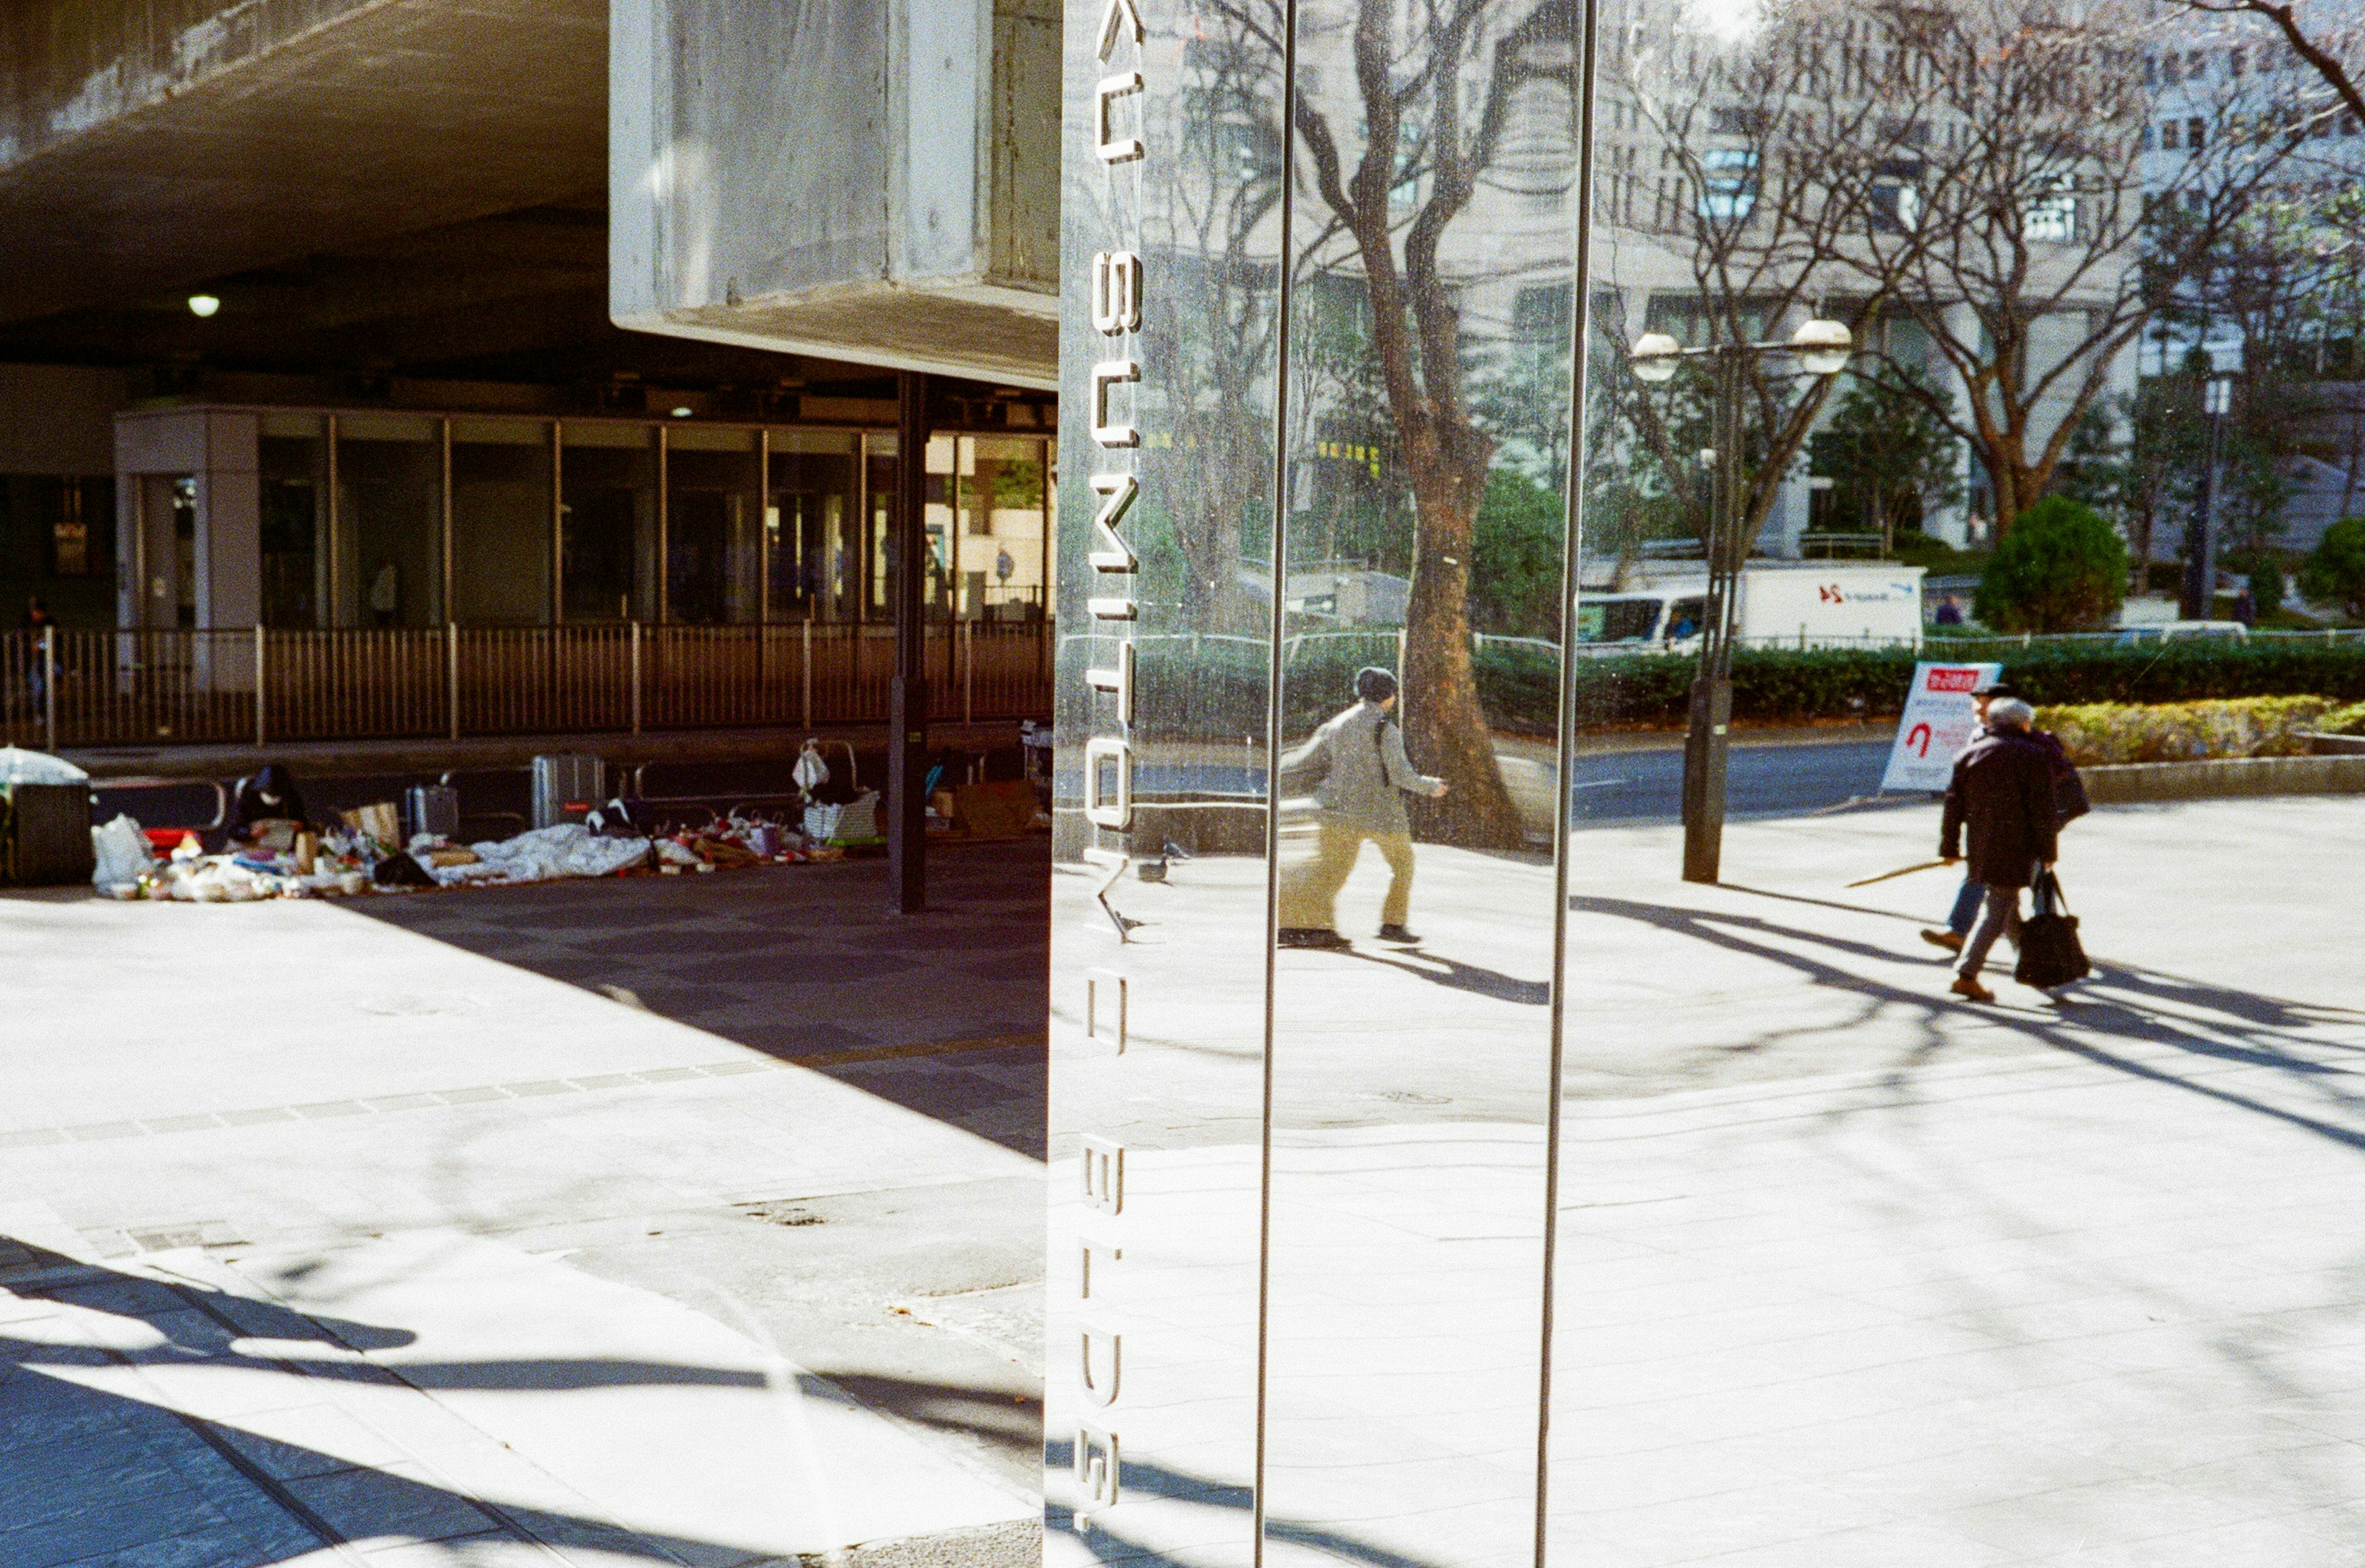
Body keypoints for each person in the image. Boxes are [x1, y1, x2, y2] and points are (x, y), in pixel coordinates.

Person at [1275, 666, 1447, 950]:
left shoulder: (1338, 723)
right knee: (1403, 865)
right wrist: (1432, 786)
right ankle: (1393, 924)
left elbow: (1307, 761)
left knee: (1330, 873)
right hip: (1383, 815)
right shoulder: (1385, 728)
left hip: (1338, 810)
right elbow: (1401, 775)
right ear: (1389, 697)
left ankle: (1304, 927)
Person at [1922, 678, 2086, 954]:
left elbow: (2048, 788)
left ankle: (2046, 936)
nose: (1977, 707)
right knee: (1993, 875)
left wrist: (2045, 843)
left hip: (2048, 810)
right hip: (2006, 818)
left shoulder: (2032, 740)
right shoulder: (1980, 735)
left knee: (2033, 869)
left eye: (1984, 702)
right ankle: (1964, 932)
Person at [1938, 697, 2059, 1003]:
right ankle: (1966, 974)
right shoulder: (2033, 755)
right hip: (2016, 846)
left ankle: (2033, 971)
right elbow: (2043, 810)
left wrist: (1949, 847)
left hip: (1980, 845)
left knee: (2007, 909)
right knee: (1998, 911)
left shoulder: (1968, 754)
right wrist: (2048, 852)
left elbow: (1953, 807)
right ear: (2023, 723)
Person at [227, 762, 311, 850]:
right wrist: (250, 833)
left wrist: (301, 826)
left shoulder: (291, 798)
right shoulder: (248, 797)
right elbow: (233, 830)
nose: (273, 798)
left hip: (283, 851)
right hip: (251, 849)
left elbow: (304, 822)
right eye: (269, 795)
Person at [19, 596, 54, 716]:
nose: (36, 615)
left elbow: (54, 641)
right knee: (39, 683)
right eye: (34, 612)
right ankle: (40, 712)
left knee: (52, 674)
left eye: (38, 612)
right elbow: (21, 645)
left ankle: (46, 710)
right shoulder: (25, 625)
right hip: (30, 663)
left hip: (49, 662)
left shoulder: (50, 624)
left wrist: (41, 646)